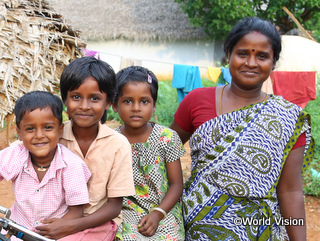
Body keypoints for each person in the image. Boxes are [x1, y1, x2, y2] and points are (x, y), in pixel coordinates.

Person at [170, 17, 314, 240]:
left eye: (262, 56)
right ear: (229, 55)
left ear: (274, 62)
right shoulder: (197, 101)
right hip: (197, 225)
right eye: (243, 53)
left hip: (259, 230)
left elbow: (290, 190)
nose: (251, 63)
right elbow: (164, 151)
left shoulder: (289, 118)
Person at [35, 57, 136, 240]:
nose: (84, 106)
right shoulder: (50, 136)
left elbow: (114, 206)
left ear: (107, 103)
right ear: (65, 99)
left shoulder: (118, 145)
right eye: (76, 97)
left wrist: (70, 226)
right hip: (53, 217)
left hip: (97, 221)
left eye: (94, 98)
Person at [0, 91, 91, 240]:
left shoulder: (71, 165)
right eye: (30, 129)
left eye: (48, 127)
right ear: (19, 133)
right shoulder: (15, 155)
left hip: (51, 235)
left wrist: (60, 226)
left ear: (60, 130)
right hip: (15, 229)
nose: (39, 135)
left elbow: (77, 211)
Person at [112, 66, 186, 240]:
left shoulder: (166, 138)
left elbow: (177, 185)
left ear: (153, 106)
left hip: (164, 208)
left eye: (144, 101)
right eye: (127, 101)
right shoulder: (112, 141)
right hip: (127, 209)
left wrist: (158, 213)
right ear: (114, 105)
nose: (136, 108)